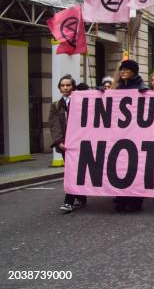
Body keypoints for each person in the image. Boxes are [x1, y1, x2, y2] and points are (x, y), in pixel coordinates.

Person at [112, 59, 148, 212]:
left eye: (126, 69)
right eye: (121, 69)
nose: (123, 71)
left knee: (135, 168)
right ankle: (121, 199)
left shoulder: (142, 88)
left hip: (137, 135)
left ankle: (135, 202)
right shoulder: (119, 87)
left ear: (134, 71)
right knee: (120, 168)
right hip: (121, 135)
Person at [50, 74, 87, 213]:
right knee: (72, 171)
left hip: (81, 144)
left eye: (68, 85)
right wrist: (59, 141)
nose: (65, 88)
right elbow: (54, 125)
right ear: (59, 88)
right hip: (66, 146)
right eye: (63, 85)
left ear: (73, 87)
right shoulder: (55, 105)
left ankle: (70, 201)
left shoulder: (82, 102)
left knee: (77, 171)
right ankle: (77, 198)